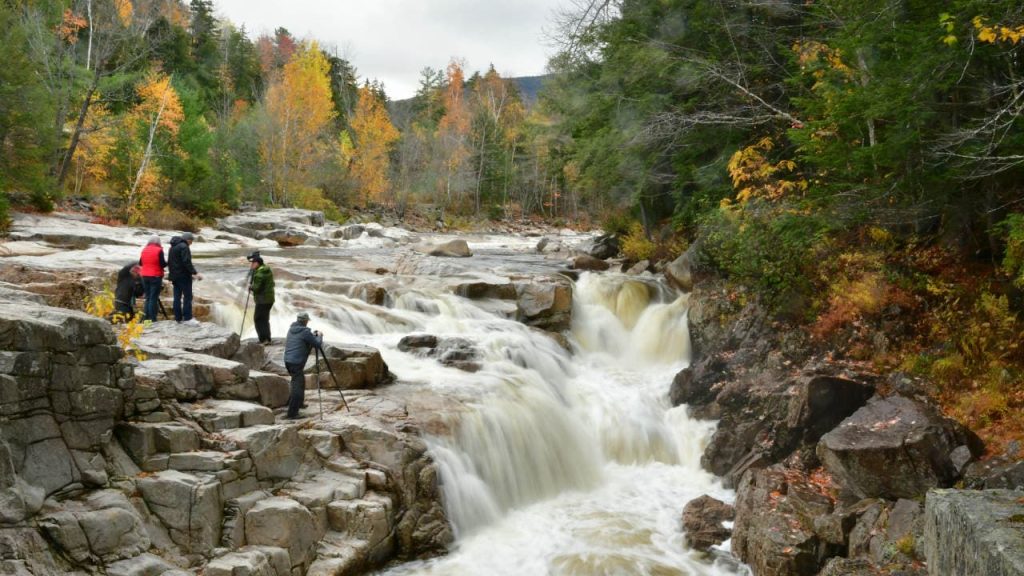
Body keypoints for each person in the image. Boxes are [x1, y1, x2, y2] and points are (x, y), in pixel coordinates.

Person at [283, 312, 322, 419]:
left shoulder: (291, 329)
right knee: (298, 387)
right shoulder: (305, 332)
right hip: (296, 363)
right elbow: (317, 344)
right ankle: (292, 413)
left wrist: (312, 335)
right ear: (305, 321)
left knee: (300, 381)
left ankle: (299, 403)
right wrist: (320, 336)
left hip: (288, 361)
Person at [168, 232, 202, 324]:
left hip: (174, 276)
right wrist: (195, 273)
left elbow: (170, 262)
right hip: (183, 276)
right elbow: (186, 262)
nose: (191, 243)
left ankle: (178, 318)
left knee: (177, 297)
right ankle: (188, 318)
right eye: (191, 241)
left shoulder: (172, 247)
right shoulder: (184, 246)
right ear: (188, 240)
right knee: (188, 297)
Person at [247, 251, 275, 344]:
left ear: (257, 263)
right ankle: (267, 338)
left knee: (258, 319)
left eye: (253, 263)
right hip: (269, 299)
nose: (251, 265)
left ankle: (263, 339)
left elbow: (257, 288)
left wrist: (251, 287)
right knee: (265, 319)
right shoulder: (266, 269)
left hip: (262, 300)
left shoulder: (259, 274)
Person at [139, 236, 166, 322]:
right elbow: (162, 264)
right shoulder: (159, 250)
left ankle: (146, 319)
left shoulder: (144, 249)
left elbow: (140, 263)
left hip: (144, 276)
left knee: (148, 297)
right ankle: (152, 319)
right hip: (155, 276)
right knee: (153, 298)